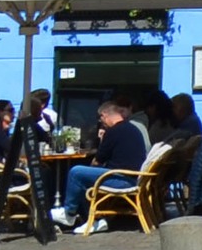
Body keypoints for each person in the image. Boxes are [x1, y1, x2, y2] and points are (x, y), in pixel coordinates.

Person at [64, 96, 151, 228]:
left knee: (76, 172)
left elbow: (97, 161)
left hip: (121, 179)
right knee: (84, 178)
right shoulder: (133, 129)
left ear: (104, 115)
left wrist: (102, 140)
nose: (101, 123)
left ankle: (69, 214)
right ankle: (93, 219)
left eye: (101, 119)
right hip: (133, 177)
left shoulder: (113, 131)